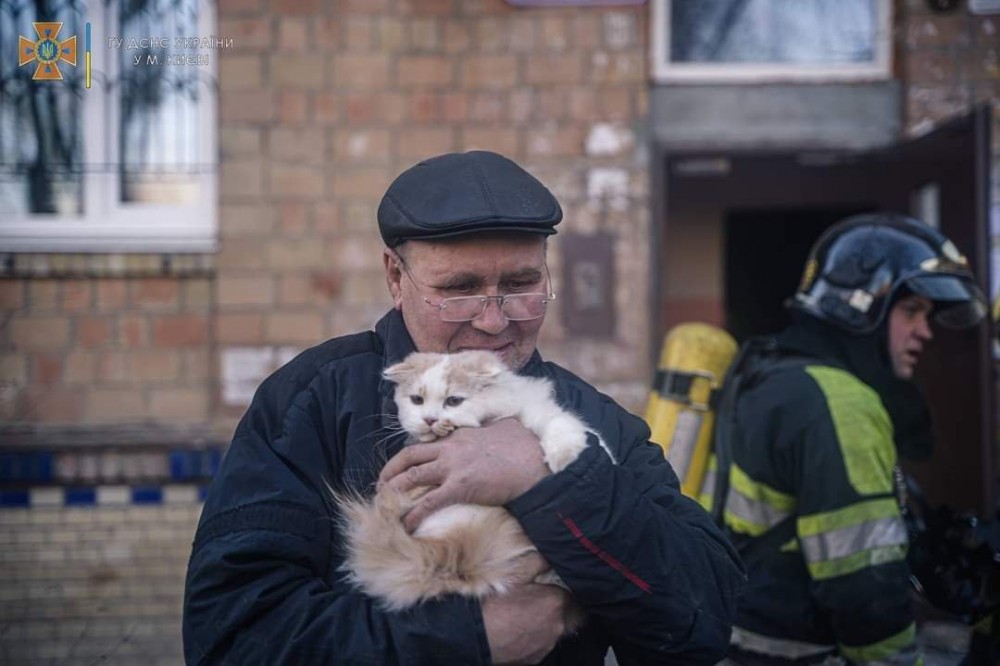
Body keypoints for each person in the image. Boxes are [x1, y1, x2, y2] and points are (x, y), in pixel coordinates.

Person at [183, 150, 745, 665]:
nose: (494, 320)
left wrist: (548, 479)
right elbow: (231, 636)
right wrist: (466, 636)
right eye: (459, 289)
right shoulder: (315, 399)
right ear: (395, 278)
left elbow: (701, 621)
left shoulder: (596, 420)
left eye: (522, 283)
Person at [708, 213, 987, 665]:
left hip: (744, 640)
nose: (925, 331)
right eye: (911, 311)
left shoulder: (770, 371)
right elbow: (862, 584)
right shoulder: (841, 402)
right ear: (861, 307)